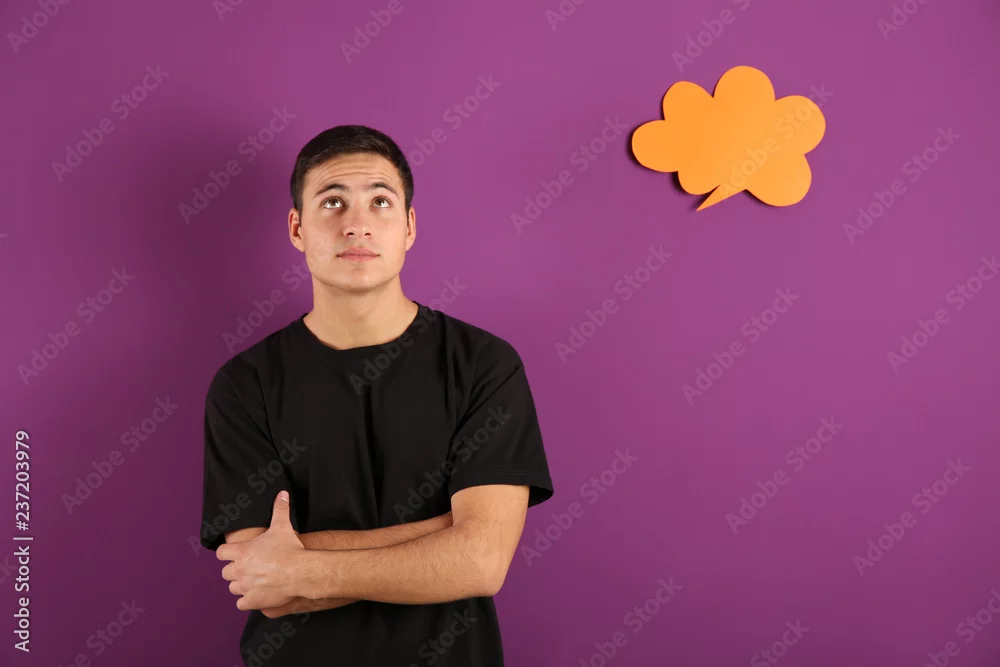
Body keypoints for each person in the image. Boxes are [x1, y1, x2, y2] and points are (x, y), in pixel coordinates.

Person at [199, 124, 554, 667]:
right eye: (332, 202)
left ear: (409, 226)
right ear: (297, 228)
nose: (357, 224)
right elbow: (264, 583)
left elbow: (481, 563)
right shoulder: (243, 385)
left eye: (380, 201)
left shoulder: (484, 364)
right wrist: (447, 534)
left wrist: (303, 566)